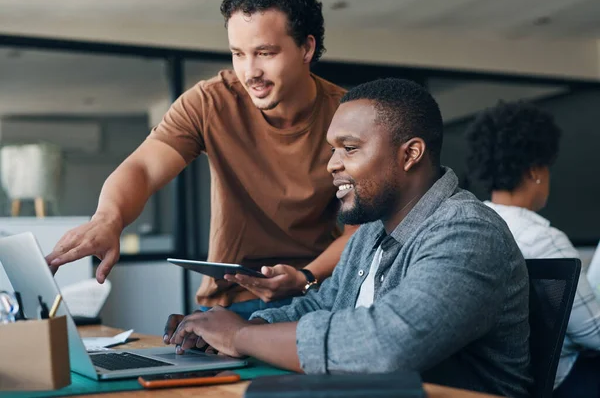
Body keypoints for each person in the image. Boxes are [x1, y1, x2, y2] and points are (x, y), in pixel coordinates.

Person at [163, 78, 533, 398]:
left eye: (350, 148)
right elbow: (320, 306)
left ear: (411, 154)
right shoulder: (371, 232)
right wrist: (230, 328)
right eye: (333, 149)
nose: (332, 165)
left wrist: (240, 337)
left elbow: (388, 345)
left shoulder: (467, 232)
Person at [45, 0, 357, 318]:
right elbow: (144, 168)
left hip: (317, 295)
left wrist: (305, 277)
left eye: (265, 53)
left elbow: (361, 231)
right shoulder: (210, 103)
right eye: (238, 54)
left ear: (306, 48)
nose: (249, 71)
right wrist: (109, 218)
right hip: (230, 299)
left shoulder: (348, 117)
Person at [466, 101, 600, 398]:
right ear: (537, 171)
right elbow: (594, 334)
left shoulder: (471, 223)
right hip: (558, 382)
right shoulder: (545, 239)